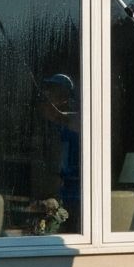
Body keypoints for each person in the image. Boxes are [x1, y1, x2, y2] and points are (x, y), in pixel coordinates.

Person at [38, 73, 81, 232]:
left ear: (64, 92)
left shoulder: (76, 115)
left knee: (73, 227)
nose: (49, 92)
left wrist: (49, 105)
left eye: (53, 89)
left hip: (77, 186)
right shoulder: (54, 123)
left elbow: (60, 116)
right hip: (61, 183)